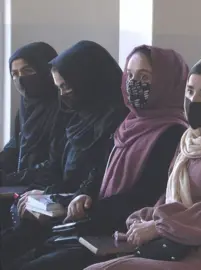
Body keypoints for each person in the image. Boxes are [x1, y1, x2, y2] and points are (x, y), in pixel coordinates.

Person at [6, 45, 190, 270]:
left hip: (118, 235)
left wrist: (77, 206)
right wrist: (84, 195)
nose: (134, 83)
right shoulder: (130, 123)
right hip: (90, 224)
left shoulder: (173, 133)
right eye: (130, 75)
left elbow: (144, 196)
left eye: (144, 77)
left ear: (166, 81)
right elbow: (99, 172)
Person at [84, 58, 201, 270]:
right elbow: (170, 199)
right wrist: (142, 220)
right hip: (175, 248)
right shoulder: (190, 141)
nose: (194, 100)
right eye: (190, 91)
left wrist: (159, 227)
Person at [0, 40, 128, 269]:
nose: (63, 95)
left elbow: (96, 183)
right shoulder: (78, 119)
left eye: (67, 86)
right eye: (59, 87)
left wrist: (52, 199)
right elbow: (56, 166)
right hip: (53, 212)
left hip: (87, 226)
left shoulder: (119, 125)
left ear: (88, 80)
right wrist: (45, 197)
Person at [0, 42, 69, 229]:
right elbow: (15, 146)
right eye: (14, 74)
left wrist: (9, 179)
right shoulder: (25, 107)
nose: (20, 79)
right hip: (22, 190)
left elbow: (55, 165)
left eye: (28, 71)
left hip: (45, 198)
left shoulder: (64, 108)